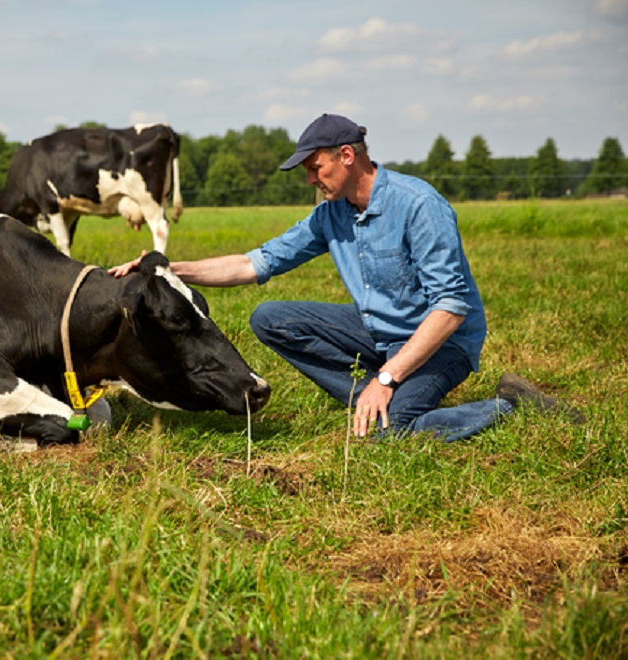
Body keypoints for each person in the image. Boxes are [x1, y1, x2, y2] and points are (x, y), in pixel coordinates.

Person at [110, 113, 582, 441]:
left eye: (316, 169)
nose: (312, 180)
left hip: (439, 343)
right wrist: (166, 267)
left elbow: (451, 309)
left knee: (394, 430)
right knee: (270, 318)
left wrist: (388, 378)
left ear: (347, 156)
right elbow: (253, 263)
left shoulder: (419, 206)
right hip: (378, 333)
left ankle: (505, 404)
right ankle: (373, 403)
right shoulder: (330, 214)